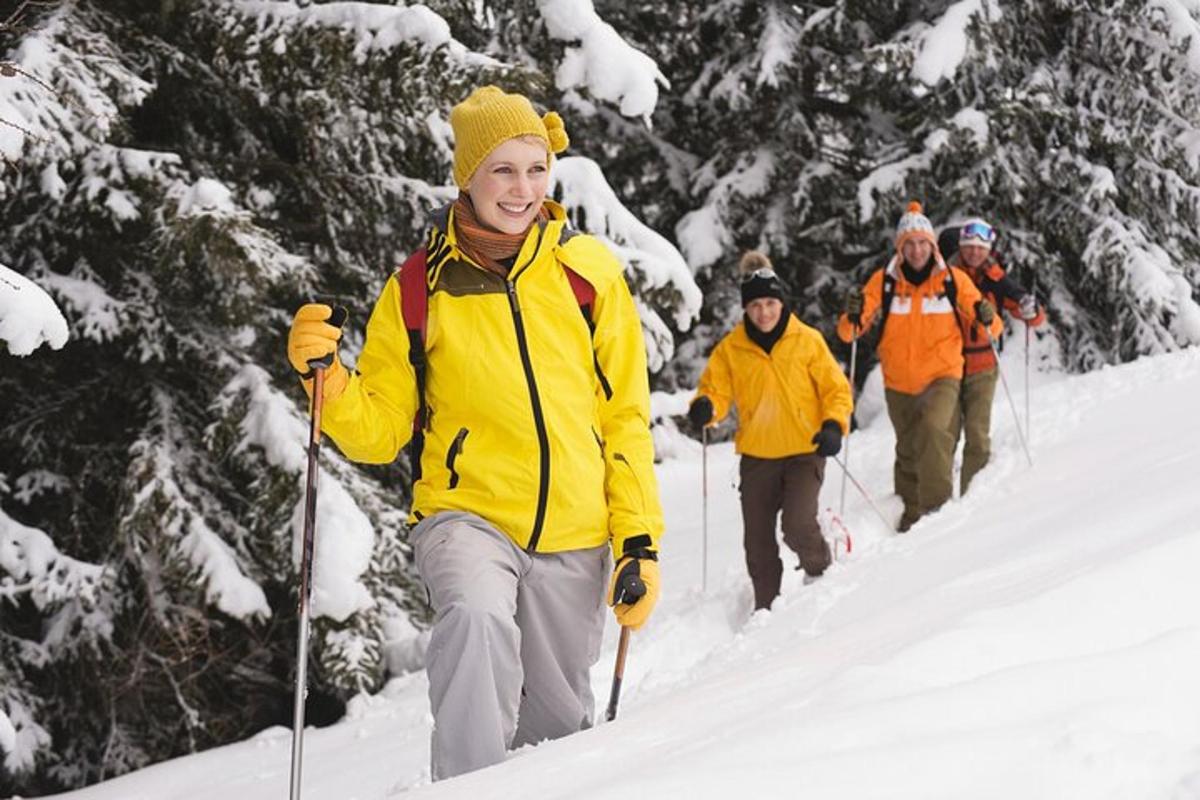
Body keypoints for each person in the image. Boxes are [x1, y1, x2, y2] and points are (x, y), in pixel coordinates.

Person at [286, 85, 664, 780]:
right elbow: (380, 430)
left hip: (576, 529)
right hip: (467, 514)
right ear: (469, 176)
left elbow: (624, 417)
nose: (522, 189)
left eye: (535, 168)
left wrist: (638, 539)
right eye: (502, 169)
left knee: (556, 725)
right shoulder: (418, 288)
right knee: (477, 620)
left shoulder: (588, 275)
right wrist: (329, 387)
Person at [687, 251, 852, 611]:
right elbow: (716, 391)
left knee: (797, 526)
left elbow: (835, 389)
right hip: (758, 456)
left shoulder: (806, 340)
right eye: (756, 305)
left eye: (770, 303)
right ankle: (765, 609)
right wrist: (706, 408)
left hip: (804, 450)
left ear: (781, 303)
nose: (764, 312)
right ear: (746, 308)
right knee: (758, 544)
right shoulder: (732, 349)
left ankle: (821, 573)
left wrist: (833, 425)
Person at [837, 201, 1000, 532]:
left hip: (943, 375)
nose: (916, 250)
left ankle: (937, 514)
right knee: (908, 446)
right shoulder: (883, 282)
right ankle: (910, 517)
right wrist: (851, 314)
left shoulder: (951, 280)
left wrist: (986, 316)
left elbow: (992, 327)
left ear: (932, 245)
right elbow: (849, 332)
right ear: (900, 247)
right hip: (898, 381)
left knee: (934, 430)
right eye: (908, 244)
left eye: (922, 242)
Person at [948, 217, 1046, 493]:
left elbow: (1031, 314)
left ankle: (972, 494)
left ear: (989, 249)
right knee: (946, 432)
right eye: (969, 247)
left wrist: (1032, 310)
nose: (974, 252)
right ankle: (940, 493)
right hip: (947, 364)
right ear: (961, 247)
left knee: (977, 433)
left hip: (983, 364)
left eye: (981, 247)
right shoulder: (945, 275)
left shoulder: (997, 279)